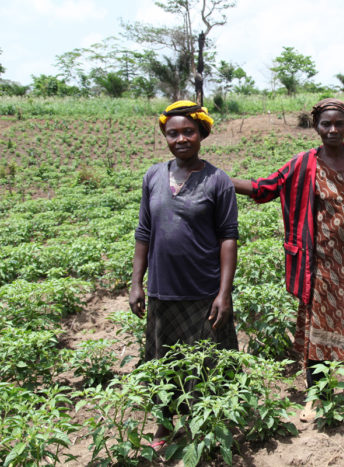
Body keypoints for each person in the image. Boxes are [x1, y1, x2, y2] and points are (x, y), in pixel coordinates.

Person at [232, 98, 344, 421]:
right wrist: (221, 179)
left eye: (338, 123)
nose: (332, 130)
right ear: (315, 126)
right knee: (317, 327)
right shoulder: (303, 164)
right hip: (318, 264)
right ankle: (317, 396)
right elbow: (266, 188)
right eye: (325, 124)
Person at [129, 100, 239, 447]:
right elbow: (144, 232)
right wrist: (136, 283)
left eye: (188, 132)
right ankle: (163, 425)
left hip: (204, 291)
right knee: (163, 362)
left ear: (201, 134)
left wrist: (224, 293)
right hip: (163, 291)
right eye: (172, 133)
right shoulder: (153, 176)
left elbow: (228, 239)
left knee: (206, 361)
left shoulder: (217, 180)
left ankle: (203, 425)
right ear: (165, 135)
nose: (180, 139)